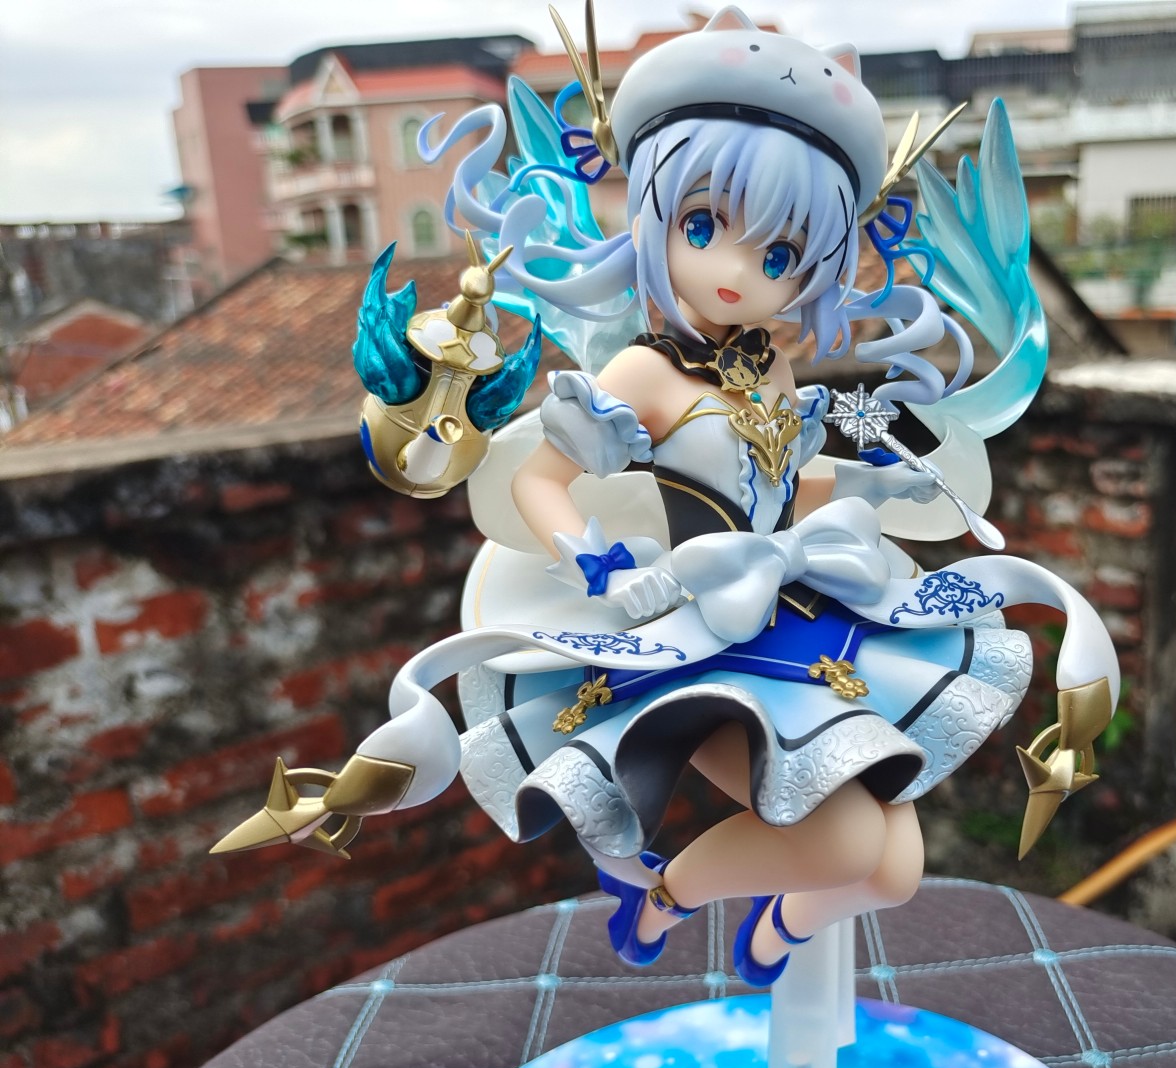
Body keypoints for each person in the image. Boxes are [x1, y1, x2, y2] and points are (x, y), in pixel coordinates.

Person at [214, 3, 1119, 988]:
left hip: (800, 619)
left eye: (778, 256)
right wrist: (599, 563)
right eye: (702, 225)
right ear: (655, 215)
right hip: (699, 640)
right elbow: (542, 481)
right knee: (849, 841)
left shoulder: (773, 366)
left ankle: (773, 930)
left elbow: (788, 488)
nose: (736, 271)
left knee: (893, 869)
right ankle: (662, 895)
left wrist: (870, 486)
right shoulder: (644, 374)